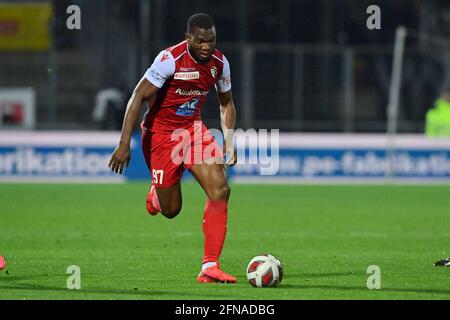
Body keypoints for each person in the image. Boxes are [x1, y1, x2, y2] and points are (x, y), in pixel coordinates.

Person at [108, 13, 237, 283]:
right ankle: (157, 193)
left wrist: (229, 140)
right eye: (200, 41)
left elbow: (226, 103)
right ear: (188, 37)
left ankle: (209, 266)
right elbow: (138, 96)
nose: (206, 46)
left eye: (211, 41)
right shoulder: (170, 59)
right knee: (171, 210)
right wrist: (123, 144)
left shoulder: (219, 63)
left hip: (192, 130)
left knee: (220, 188)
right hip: (161, 135)